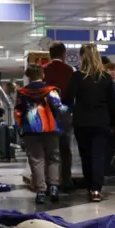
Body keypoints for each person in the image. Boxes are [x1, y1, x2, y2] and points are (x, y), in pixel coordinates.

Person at [63, 45, 115, 202]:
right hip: (102, 121)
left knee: (85, 155)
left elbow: (67, 99)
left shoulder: (77, 77)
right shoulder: (105, 78)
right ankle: (96, 189)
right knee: (98, 156)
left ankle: (90, 187)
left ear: (82, 57)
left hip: (82, 121)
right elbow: (112, 103)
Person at [16, 63, 65, 204]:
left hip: (31, 129)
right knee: (53, 158)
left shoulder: (22, 93)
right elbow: (59, 108)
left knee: (36, 160)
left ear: (29, 77)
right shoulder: (51, 90)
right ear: (42, 75)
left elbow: (18, 112)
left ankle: (41, 191)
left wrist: (20, 129)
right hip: (50, 128)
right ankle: (54, 187)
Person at [44, 42, 76, 190]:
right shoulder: (70, 70)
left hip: (47, 113)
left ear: (50, 54)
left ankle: (51, 182)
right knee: (65, 147)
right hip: (65, 111)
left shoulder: (43, 70)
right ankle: (66, 180)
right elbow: (73, 93)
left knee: (49, 148)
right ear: (64, 54)